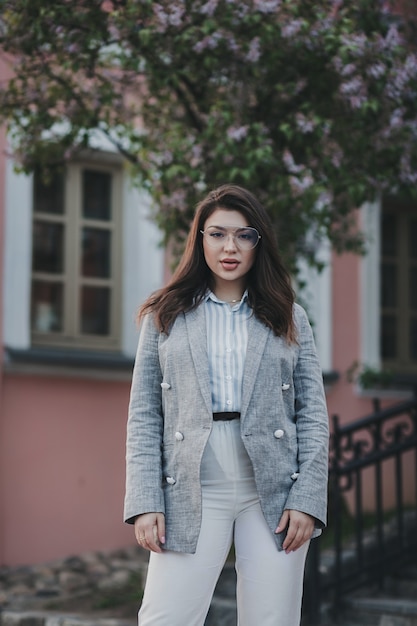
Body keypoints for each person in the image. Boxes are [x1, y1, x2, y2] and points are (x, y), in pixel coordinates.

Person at [124, 183, 329, 626]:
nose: (229, 247)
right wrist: (145, 500)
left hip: (272, 488)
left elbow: (312, 412)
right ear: (200, 240)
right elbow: (144, 415)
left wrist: (308, 499)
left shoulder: (288, 315)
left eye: (243, 235)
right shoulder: (167, 313)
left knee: (272, 619)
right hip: (191, 484)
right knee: (165, 618)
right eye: (217, 234)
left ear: (259, 243)